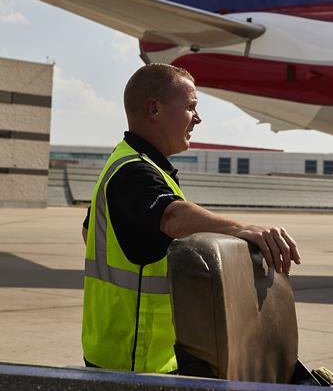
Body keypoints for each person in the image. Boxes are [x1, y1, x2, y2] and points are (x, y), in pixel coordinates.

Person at [82, 63, 301, 374]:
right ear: (154, 109)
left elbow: (88, 231)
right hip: (135, 358)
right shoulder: (135, 172)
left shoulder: (131, 164)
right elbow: (172, 216)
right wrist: (245, 229)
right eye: (190, 107)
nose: (197, 118)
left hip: (124, 348)